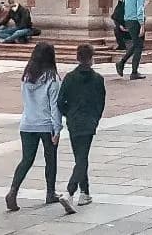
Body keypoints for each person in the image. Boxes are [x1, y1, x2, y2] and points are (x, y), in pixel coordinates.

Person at [6, 42, 70, 213]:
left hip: (27, 123)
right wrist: (57, 129)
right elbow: (54, 106)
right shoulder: (52, 78)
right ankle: (50, 192)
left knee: (27, 159)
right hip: (45, 124)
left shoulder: (27, 75)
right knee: (50, 159)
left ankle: (13, 190)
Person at [58, 42, 106, 208]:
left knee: (80, 156)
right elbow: (101, 102)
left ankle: (85, 192)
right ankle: (71, 191)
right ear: (91, 59)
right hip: (89, 121)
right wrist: (95, 118)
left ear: (77, 58)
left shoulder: (70, 78)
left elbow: (60, 101)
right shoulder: (98, 79)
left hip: (74, 121)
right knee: (82, 158)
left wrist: (68, 113)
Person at [117, 0, 148, 79]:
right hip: (136, 21)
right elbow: (140, 10)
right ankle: (134, 72)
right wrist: (142, 25)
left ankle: (122, 63)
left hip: (128, 20)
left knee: (135, 44)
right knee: (139, 46)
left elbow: (124, 5)